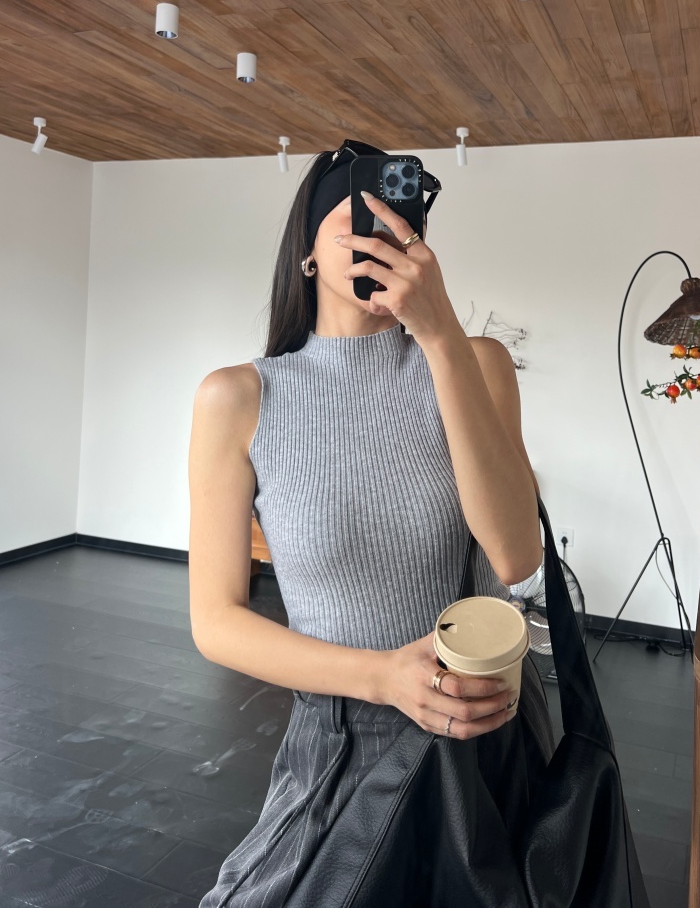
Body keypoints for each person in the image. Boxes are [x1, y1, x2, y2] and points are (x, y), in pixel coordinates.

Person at [189, 142, 555, 907]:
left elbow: (517, 556)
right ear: (308, 251)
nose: (379, 236)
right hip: (342, 741)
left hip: (485, 730)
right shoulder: (239, 398)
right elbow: (216, 621)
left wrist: (441, 334)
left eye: (398, 222)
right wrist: (383, 678)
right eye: (358, 218)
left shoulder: (476, 362)